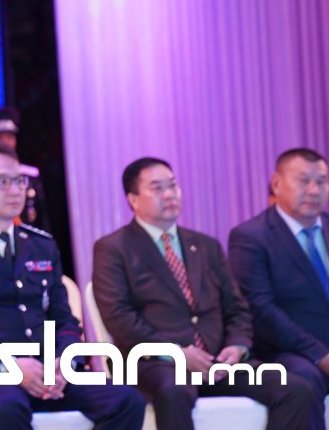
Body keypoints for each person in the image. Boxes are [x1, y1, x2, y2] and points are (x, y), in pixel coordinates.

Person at [0, 143, 145, 430]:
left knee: (127, 401)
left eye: (19, 181)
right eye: (3, 181)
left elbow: (64, 319)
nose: (16, 190)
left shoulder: (41, 244)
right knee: (7, 410)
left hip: (48, 370)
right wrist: (12, 364)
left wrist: (64, 362)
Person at [91, 157, 319, 430]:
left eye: (173, 186)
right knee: (174, 391)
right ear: (134, 199)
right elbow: (119, 317)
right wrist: (176, 353)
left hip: (217, 361)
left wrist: (237, 347)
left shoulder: (205, 245)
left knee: (296, 388)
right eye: (157, 188)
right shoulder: (113, 248)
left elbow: (237, 308)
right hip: (153, 362)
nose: (169, 194)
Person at [229, 147, 329, 430]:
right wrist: (320, 355)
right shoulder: (251, 237)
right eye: (303, 181)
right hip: (288, 351)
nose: (314, 190)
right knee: (302, 381)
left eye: (321, 181)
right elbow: (262, 310)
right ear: (276, 183)